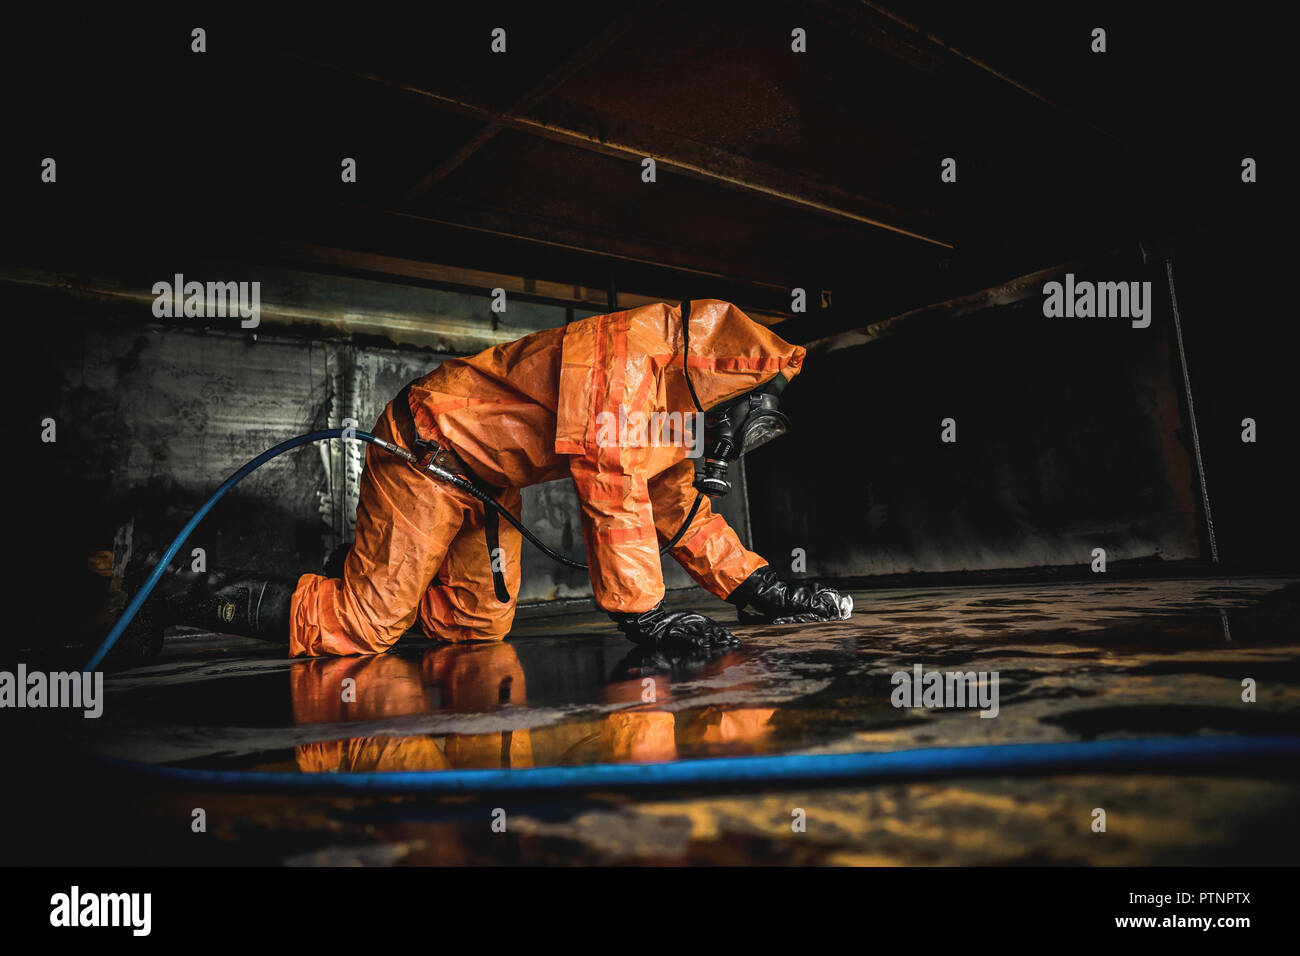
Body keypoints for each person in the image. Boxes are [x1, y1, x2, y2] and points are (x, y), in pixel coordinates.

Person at [140, 299, 851, 657]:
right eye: (740, 424)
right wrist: (645, 614)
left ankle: (364, 568)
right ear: (725, 383)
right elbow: (611, 483)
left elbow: (670, 498)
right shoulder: (627, 358)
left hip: (487, 483)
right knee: (365, 626)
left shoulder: (680, 402)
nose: (730, 444)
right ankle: (166, 587)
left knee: (474, 627)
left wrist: (754, 583)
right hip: (431, 448)